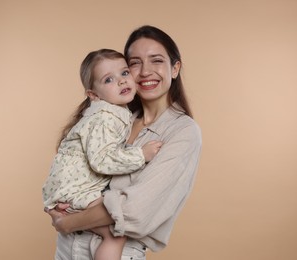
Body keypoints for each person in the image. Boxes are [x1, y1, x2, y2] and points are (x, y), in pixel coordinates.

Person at [45, 25, 202, 260]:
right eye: (135, 63)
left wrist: (66, 222)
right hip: (68, 247)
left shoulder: (182, 132)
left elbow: (135, 211)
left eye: (156, 60)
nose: (146, 71)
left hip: (117, 250)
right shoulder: (113, 117)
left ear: (175, 68)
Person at [42, 48, 163, 260]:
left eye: (124, 73)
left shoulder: (113, 112)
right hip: (75, 191)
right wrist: (140, 155)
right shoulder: (105, 117)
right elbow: (102, 160)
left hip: (71, 189)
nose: (122, 81)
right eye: (109, 80)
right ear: (94, 95)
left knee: (115, 221)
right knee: (116, 232)